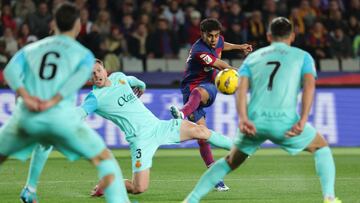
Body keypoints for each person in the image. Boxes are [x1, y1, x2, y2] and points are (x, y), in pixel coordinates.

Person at [183, 17, 341, 203]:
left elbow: (240, 88)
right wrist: (303, 118)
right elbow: (309, 88)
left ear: (268, 36)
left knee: (229, 162)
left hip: (255, 123)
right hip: (286, 122)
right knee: (321, 149)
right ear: (292, 36)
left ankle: (190, 200)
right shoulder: (303, 57)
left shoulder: (255, 58)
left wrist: (242, 118)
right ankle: (329, 197)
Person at [21, 59, 233, 197]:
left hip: (158, 126)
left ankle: (238, 148)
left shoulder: (119, 78)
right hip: (140, 140)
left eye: (98, 70)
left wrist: (141, 86)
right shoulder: (95, 97)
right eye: (92, 74)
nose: (97, 75)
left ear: (105, 69)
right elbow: (81, 112)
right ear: (89, 78)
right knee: (139, 188)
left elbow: (136, 81)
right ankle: (109, 183)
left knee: (201, 131)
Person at [0, 3, 130, 203]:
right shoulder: (83, 55)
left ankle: (30, 190)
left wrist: (26, 97)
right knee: (105, 160)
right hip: (59, 119)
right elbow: (73, 84)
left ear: (55, 23)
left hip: (25, 116)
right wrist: (52, 100)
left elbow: (9, 72)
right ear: (78, 25)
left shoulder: (32, 48)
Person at [170, 18, 252, 191]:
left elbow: (223, 45)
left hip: (208, 86)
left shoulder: (218, 40)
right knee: (202, 135)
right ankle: (215, 178)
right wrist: (235, 71)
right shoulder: (199, 50)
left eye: (216, 35)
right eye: (210, 36)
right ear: (202, 34)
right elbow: (219, 64)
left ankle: (182, 114)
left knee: (198, 93)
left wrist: (239, 47)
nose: (214, 39)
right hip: (188, 88)